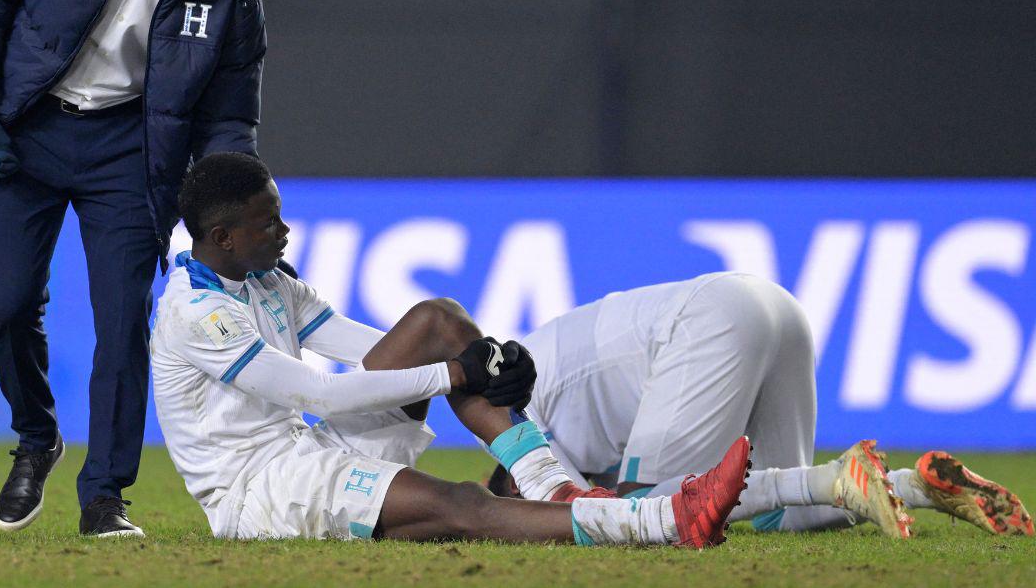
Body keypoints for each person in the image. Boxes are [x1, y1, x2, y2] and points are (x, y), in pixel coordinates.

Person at [150, 152, 751, 548]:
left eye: (280, 216)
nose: (284, 232)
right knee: (462, 504)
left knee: (437, 318)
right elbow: (320, 395)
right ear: (223, 237)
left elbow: (373, 347)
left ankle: (549, 484)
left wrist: (485, 359)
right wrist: (452, 375)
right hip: (261, 494)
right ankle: (664, 522)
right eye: (267, 223)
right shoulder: (196, 312)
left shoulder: (265, 278)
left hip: (307, 446)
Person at [0, 0, 270, 537]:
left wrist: (227, 212)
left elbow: (228, 114)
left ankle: (105, 497)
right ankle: (37, 439)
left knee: (124, 324)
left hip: (129, 153)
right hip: (29, 133)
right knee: (8, 302)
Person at [485, 275, 1034, 538]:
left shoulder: (523, 426)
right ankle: (920, 485)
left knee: (647, 512)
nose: (537, 499)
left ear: (510, 480)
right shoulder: (533, 393)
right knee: (783, 511)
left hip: (706, 323)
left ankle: (838, 479)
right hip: (772, 306)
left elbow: (599, 510)